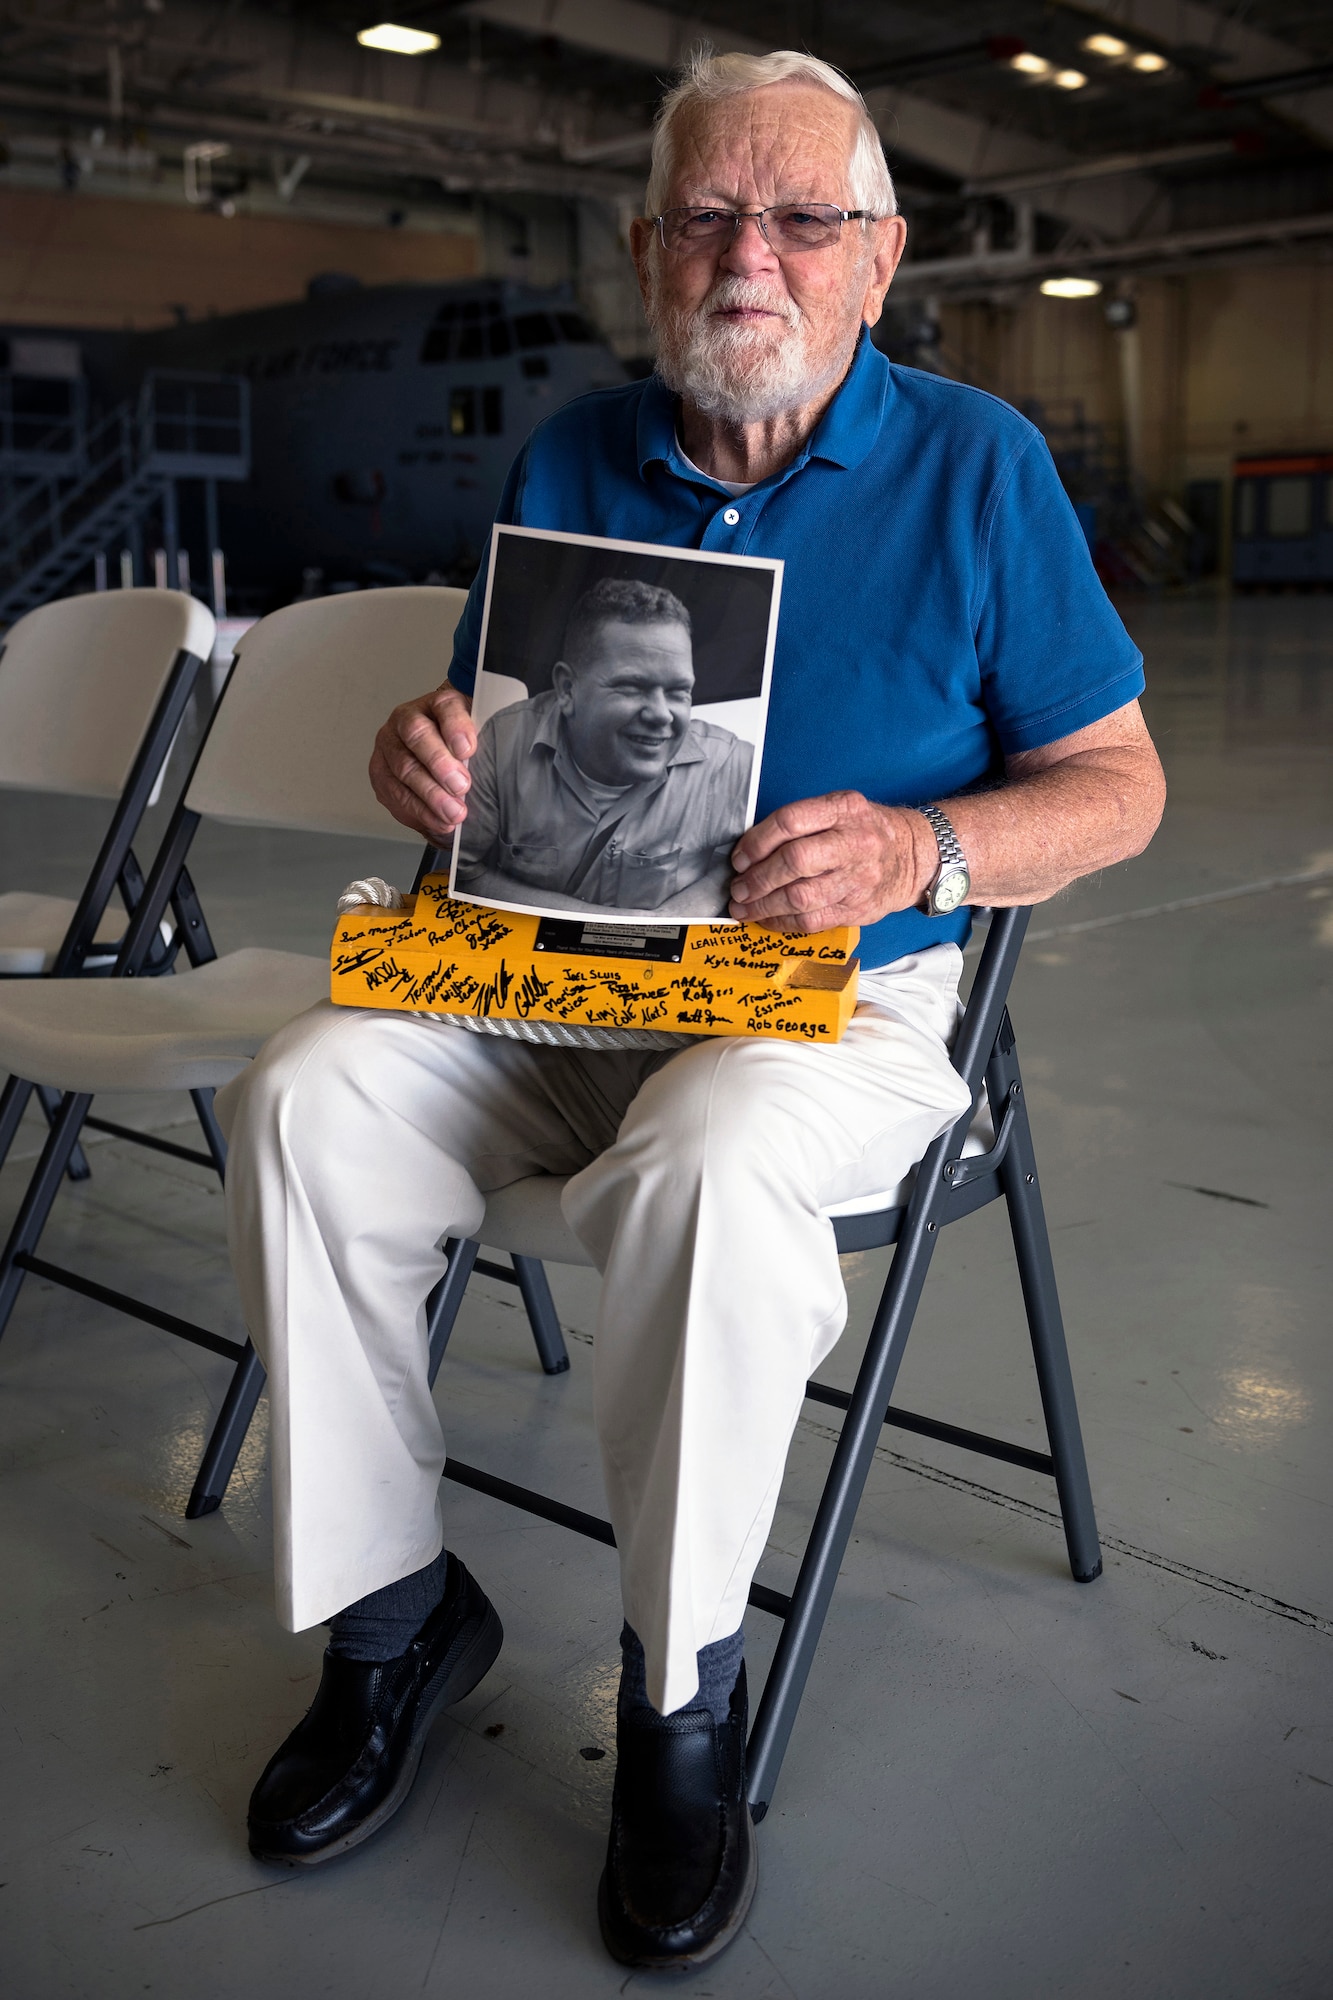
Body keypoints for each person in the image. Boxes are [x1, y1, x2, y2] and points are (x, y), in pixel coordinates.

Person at [218, 48, 1165, 1971]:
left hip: (836, 1006)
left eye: (801, 218)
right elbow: (502, 732)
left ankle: (678, 1698)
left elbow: (1119, 784)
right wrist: (438, 752)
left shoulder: (977, 465)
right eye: (709, 219)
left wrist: (920, 847)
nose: (753, 258)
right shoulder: (571, 451)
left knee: (713, 1158)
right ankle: (395, 1621)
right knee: (306, 1085)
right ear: (647, 248)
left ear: (878, 256)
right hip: (556, 983)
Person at [454, 575, 753, 916]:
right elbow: (465, 873)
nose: (660, 715)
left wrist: (671, 917)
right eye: (631, 687)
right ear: (567, 689)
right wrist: (626, 923)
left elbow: (749, 863)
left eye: (678, 692)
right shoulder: (500, 742)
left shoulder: (730, 763)